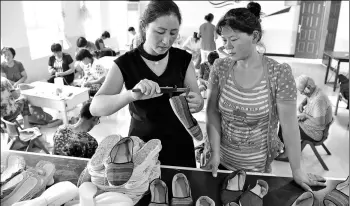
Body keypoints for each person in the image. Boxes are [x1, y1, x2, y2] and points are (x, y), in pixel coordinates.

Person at [203, 2, 326, 191]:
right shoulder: (220, 67)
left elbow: (290, 126)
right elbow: (212, 112)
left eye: (233, 40)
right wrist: (214, 152)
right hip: (221, 163)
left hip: (256, 168)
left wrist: (297, 170)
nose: (227, 47)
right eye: (224, 40)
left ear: (255, 36)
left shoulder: (278, 73)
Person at [90, 0, 204, 168]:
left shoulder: (183, 59)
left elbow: (197, 99)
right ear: (144, 27)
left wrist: (198, 102)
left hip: (180, 143)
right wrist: (130, 95)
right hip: (141, 145)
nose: (166, 40)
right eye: (160, 32)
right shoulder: (126, 63)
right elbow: (96, 107)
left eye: (173, 33)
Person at [276, 75, 333, 161]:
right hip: (310, 125)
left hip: (315, 132)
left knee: (285, 126)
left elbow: (320, 122)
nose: (302, 94)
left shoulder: (318, 100)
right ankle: (283, 148)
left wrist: (306, 116)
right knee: (284, 122)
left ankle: (287, 154)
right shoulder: (315, 90)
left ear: (308, 87)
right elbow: (309, 98)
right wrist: (303, 103)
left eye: (302, 92)